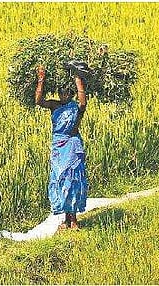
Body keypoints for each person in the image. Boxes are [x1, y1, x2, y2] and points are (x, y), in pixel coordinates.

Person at [35, 65, 88, 230]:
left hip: (72, 146)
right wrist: (41, 79)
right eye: (60, 92)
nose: (62, 95)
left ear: (71, 94)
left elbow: (83, 102)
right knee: (60, 179)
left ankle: (74, 220)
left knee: (73, 179)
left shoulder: (76, 108)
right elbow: (38, 101)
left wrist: (78, 80)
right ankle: (66, 219)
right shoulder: (54, 106)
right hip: (58, 147)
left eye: (66, 92)